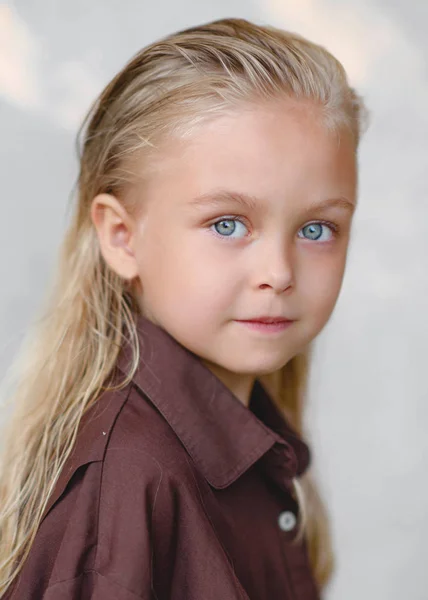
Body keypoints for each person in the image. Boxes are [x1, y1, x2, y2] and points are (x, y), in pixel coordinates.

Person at [0, 16, 368, 600]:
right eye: (228, 224)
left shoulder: (258, 450)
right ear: (122, 236)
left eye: (317, 228)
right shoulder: (127, 485)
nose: (279, 272)